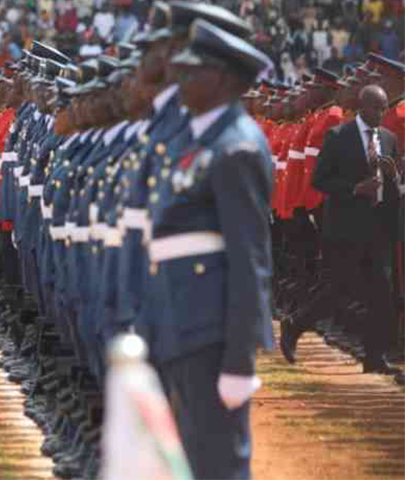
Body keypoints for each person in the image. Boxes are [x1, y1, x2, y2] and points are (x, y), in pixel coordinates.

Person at [135, 19, 275, 479]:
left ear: (226, 80)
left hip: (210, 335)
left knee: (219, 464)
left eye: (195, 71)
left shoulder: (237, 146)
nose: (182, 78)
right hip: (180, 323)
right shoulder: (201, 139)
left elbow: (249, 258)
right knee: (188, 460)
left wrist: (240, 358)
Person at [281, 84, 402, 375]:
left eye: (384, 108)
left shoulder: (388, 138)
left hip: (377, 228)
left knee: (380, 294)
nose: (381, 114)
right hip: (346, 228)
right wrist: (354, 189)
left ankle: (374, 358)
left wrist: (393, 175)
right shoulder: (339, 136)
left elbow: (394, 187)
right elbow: (320, 180)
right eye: (376, 108)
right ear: (363, 106)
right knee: (339, 289)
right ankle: (295, 324)